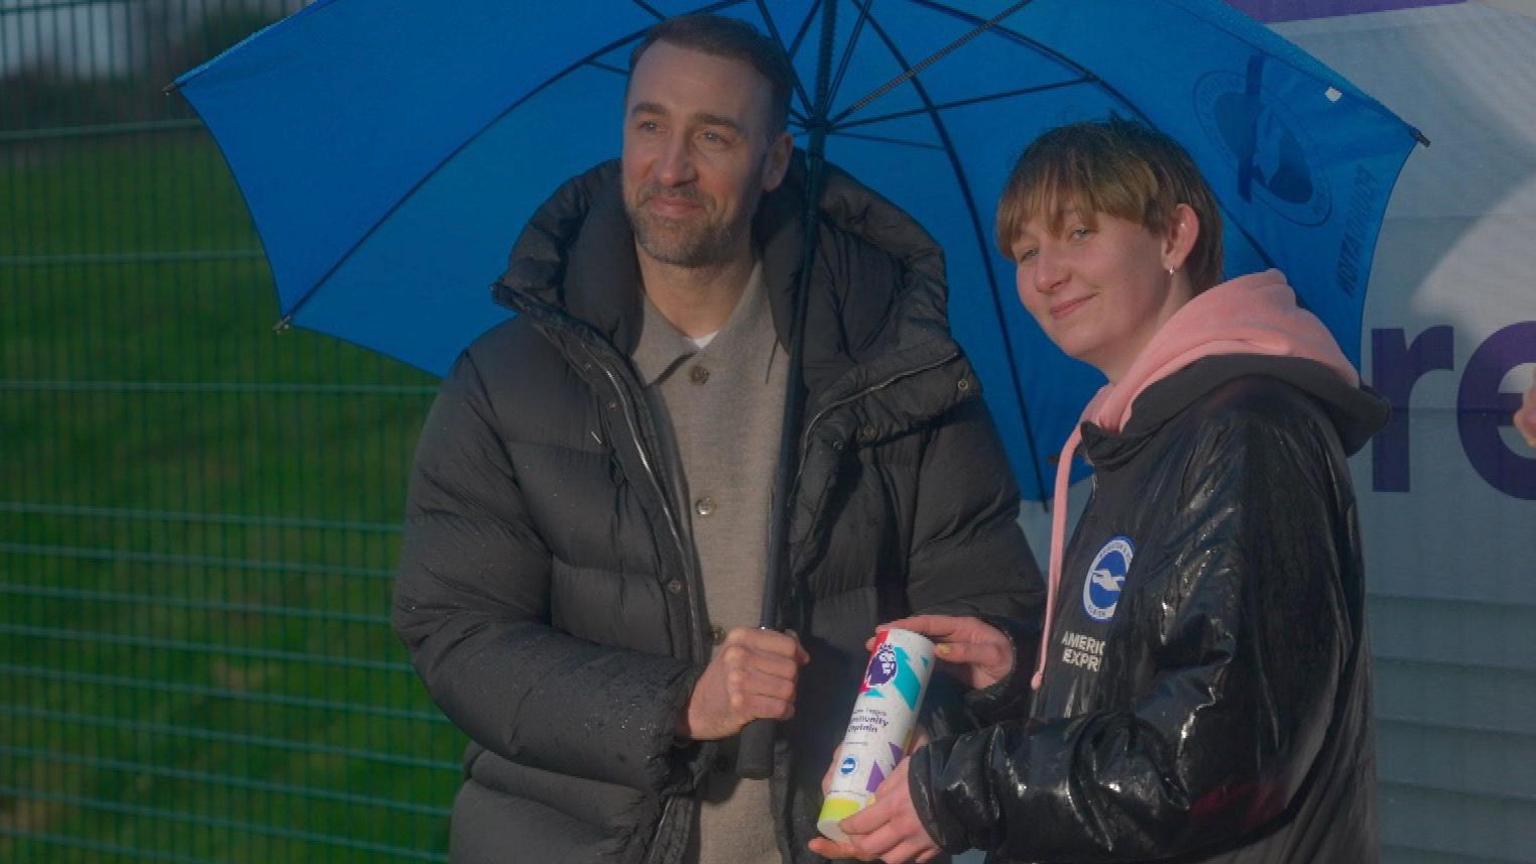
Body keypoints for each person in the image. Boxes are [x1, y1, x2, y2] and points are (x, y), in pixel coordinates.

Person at [391, 14, 1041, 864]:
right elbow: (459, 633)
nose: (670, 167)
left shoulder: (895, 364)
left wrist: (955, 712)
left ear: (775, 162)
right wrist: (678, 705)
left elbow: (986, 605)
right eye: (650, 125)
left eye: (714, 136)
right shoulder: (505, 382)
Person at [811, 118, 1388, 863]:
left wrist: (965, 789)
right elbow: (1141, 696)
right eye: (1026, 252)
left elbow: (1215, 761)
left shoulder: (1246, 432)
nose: (1045, 275)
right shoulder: (1143, 434)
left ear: (1175, 237)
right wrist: (1016, 681)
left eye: (1079, 233)